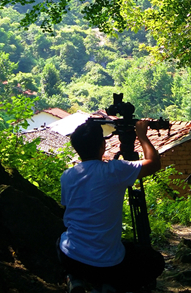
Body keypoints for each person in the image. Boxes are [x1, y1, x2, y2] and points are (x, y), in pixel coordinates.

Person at [58, 120, 165, 293]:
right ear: (103, 145)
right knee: (153, 260)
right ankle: (111, 286)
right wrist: (142, 136)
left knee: (62, 240)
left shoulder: (67, 176)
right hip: (108, 265)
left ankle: (74, 279)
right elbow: (153, 163)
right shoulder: (114, 171)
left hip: (72, 258)